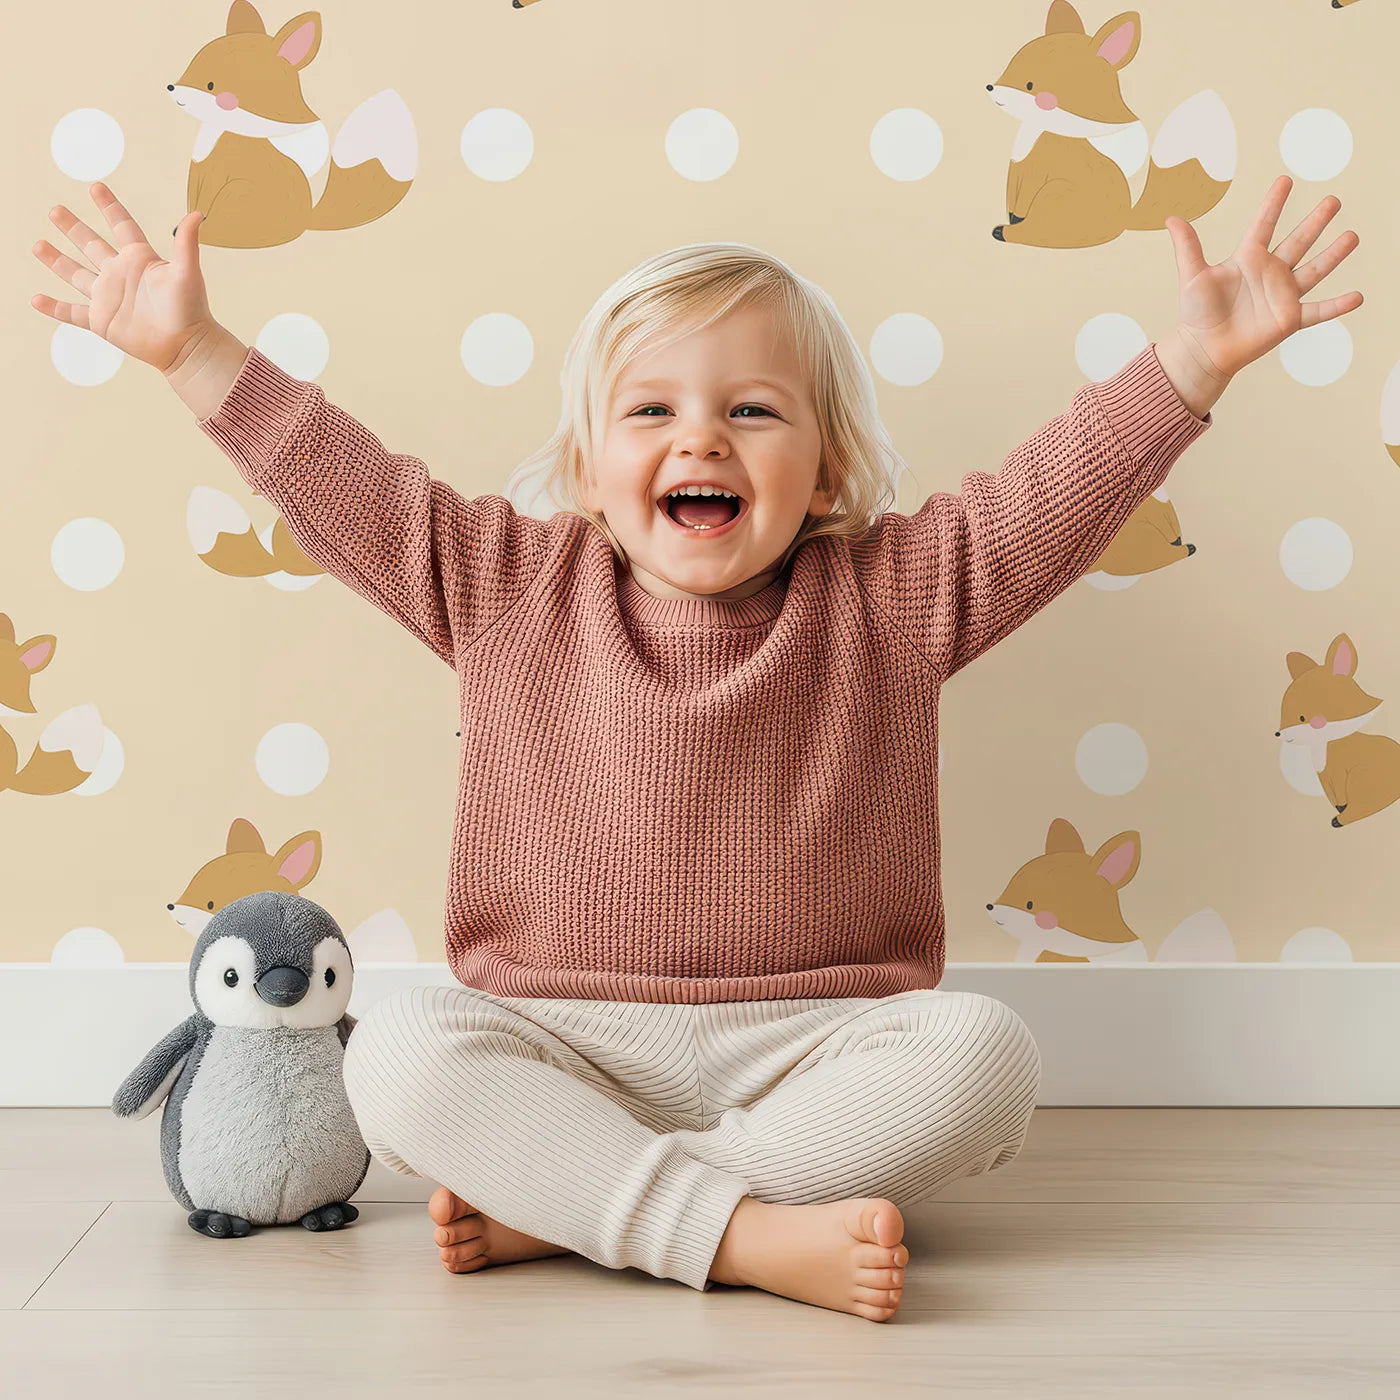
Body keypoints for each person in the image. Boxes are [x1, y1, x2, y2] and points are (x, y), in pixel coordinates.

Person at [29, 175, 1360, 1321]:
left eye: (754, 413)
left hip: (816, 1050)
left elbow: (1044, 499)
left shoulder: (892, 598)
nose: (701, 438)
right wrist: (194, 348)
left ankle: (583, 1211)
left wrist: (1191, 367)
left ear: (830, 471)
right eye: (651, 412)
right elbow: (343, 482)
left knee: (988, 1055)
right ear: (590, 467)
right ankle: (739, 1235)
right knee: (393, 1058)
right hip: (555, 1042)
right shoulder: (501, 585)